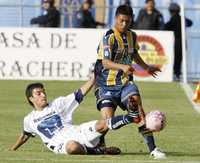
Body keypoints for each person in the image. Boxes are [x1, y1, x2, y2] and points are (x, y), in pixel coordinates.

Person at [94, 5, 166, 159]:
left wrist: (147, 67)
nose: (124, 24)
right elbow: (106, 63)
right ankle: (100, 145)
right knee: (107, 121)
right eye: (121, 21)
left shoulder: (132, 35)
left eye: (127, 21)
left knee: (138, 108)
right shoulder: (109, 37)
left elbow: (134, 54)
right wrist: (122, 66)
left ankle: (153, 149)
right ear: (115, 19)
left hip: (125, 83)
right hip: (106, 84)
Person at [10, 75, 146, 155]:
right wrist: (12, 149)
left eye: (43, 91)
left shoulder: (57, 104)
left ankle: (132, 116)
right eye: (38, 93)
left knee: (103, 123)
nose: (43, 95)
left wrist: (94, 77)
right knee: (72, 147)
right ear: (30, 98)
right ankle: (99, 151)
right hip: (62, 144)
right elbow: (25, 135)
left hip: (77, 131)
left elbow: (79, 93)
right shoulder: (29, 119)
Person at [164, 2, 193, 81]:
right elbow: (190, 23)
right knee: (179, 59)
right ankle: (177, 73)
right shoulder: (182, 18)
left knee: (175, 58)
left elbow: (166, 26)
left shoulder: (174, 19)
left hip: (176, 42)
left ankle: (175, 74)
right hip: (182, 42)